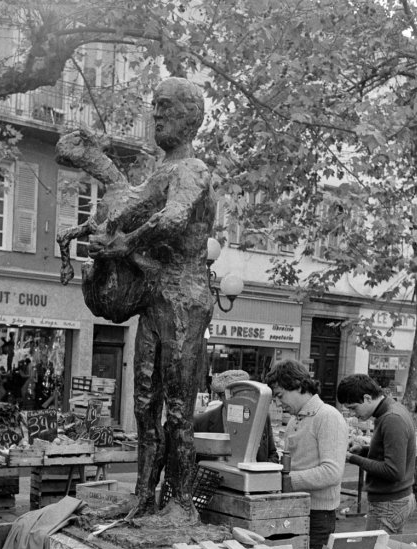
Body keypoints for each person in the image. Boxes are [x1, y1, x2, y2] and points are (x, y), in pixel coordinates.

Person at [85, 77, 216, 523]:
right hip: (155, 298)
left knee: (178, 409)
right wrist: (101, 229)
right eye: (154, 106)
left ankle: (180, 504)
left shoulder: (192, 170)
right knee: (144, 406)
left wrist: (125, 245)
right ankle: (144, 497)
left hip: (185, 298)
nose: (156, 114)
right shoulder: (160, 172)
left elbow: (174, 217)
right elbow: (130, 205)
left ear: (191, 117)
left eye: (166, 107)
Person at [266, 359, 348, 549]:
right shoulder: (296, 419)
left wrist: (285, 480)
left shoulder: (328, 416)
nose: (278, 403)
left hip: (318, 516)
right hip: (295, 509)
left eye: (280, 395)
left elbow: (332, 472)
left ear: (297, 385)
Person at [337, 373, 416, 534]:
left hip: (389, 503)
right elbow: (389, 453)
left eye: (353, 407)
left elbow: (393, 471)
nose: (353, 414)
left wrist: (353, 458)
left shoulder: (392, 418)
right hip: (393, 501)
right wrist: (364, 450)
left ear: (367, 398)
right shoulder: (389, 412)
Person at [193, 370, 279, 462]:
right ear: (221, 397)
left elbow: (272, 455)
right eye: (233, 395)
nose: (239, 400)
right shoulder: (201, 422)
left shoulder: (262, 417)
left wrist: (257, 472)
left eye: (244, 393)